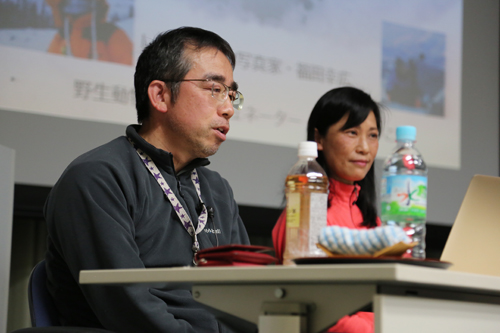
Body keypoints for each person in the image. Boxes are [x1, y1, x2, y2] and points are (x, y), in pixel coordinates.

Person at [44, 27, 251, 333]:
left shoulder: (216, 189)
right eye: (214, 89)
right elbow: (128, 307)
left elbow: (249, 292)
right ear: (160, 95)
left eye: (232, 94)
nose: (228, 108)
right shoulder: (97, 178)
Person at [272, 86, 382, 333]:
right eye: (352, 132)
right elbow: (315, 306)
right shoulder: (304, 213)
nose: (365, 147)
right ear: (319, 139)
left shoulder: (371, 219)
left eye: (373, 135)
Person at [45, 0, 133, 65]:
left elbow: (129, 72)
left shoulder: (111, 35)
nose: (76, 4)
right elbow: (48, 68)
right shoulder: (63, 35)